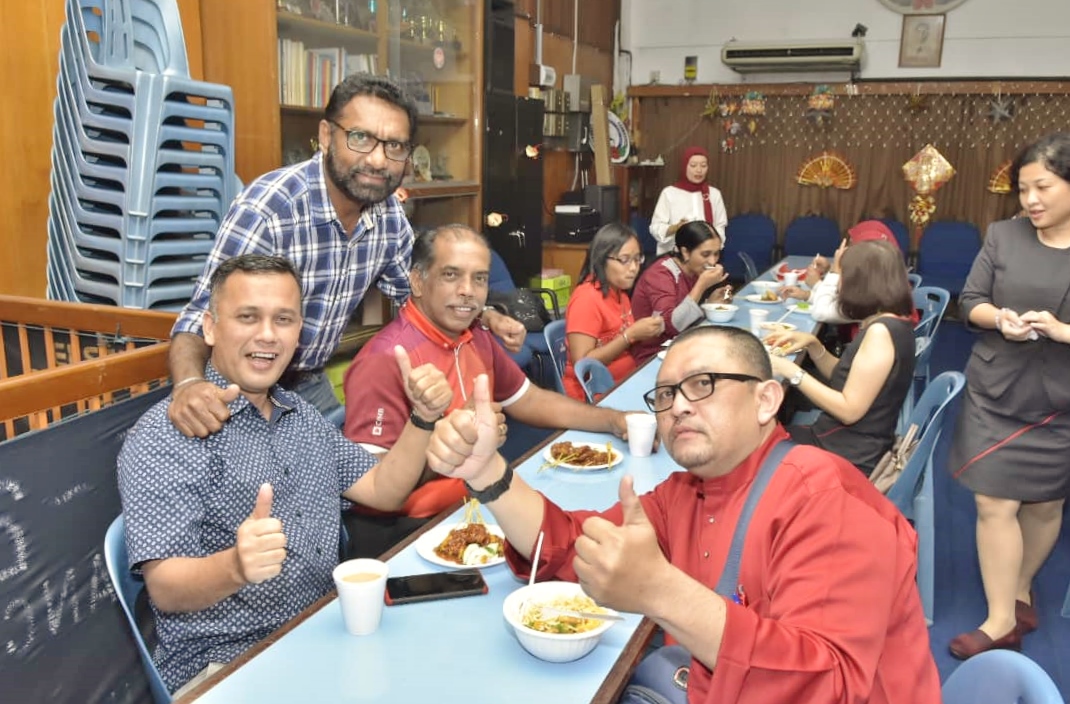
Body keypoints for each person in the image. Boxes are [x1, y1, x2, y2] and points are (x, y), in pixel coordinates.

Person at [424, 325, 941, 704]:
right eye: (667, 393)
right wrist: (488, 472)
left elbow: (829, 686)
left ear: (766, 400)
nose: (678, 407)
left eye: (703, 383)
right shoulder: (687, 492)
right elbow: (575, 545)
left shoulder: (826, 499)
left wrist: (661, 592)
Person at [117, 254, 454, 695]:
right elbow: (164, 588)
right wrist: (236, 566)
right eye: (247, 317)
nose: (267, 335)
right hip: (223, 666)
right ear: (211, 328)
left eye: (283, 319)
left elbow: (383, 490)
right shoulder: (166, 434)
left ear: (299, 333)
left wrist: (422, 418)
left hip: (323, 634)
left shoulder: (302, 415)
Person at [166, 73, 524, 436]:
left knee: (362, 466)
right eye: (361, 138)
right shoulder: (270, 210)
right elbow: (198, 317)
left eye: (395, 146)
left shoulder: (387, 215)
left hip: (306, 379)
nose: (378, 160)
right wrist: (189, 385)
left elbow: (418, 291)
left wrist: (486, 315)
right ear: (326, 136)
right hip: (236, 385)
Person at [342, 225, 635, 555]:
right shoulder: (385, 358)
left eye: (479, 278)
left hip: (479, 499)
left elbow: (530, 399)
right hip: (413, 532)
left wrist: (613, 420)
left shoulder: (474, 335)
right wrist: (458, 440)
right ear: (418, 282)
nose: (468, 291)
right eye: (451, 275)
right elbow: (376, 489)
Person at [946, 132, 1070, 659]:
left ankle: (1019, 587)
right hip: (996, 390)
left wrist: (1062, 331)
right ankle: (1000, 620)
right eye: (1023, 189)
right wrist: (999, 319)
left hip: (1060, 400)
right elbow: (970, 300)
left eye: (1042, 187)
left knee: (1044, 504)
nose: (1031, 200)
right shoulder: (1003, 235)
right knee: (993, 500)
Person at [764, 240, 916, 475]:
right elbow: (847, 377)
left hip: (848, 455)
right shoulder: (893, 322)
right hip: (851, 443)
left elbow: (849, 410)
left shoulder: (880, 333)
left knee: (755, 440)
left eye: (842, 276)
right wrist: (814, 345)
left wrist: (791, 371)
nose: (838, 285)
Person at [562, 223, 665, 401]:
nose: (633, 268)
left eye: (637, 259)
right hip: (594, 394)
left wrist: (647, 331)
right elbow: (584, 365)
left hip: (625, 381)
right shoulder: (586, 299)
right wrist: (630, 336)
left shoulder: (619, 292)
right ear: (602, 259)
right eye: (624, 260)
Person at [630, 220, 732, 364]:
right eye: (706, 254)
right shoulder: (660, 274)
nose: (712, 261)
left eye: (716, 254)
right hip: (653, 355)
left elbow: (686, 316)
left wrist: (709, 304)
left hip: (682, 344)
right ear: (685, 252)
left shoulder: (694, 269)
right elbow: (672, 325)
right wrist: (701, 286)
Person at [782, 220, 902, 324]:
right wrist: (807, 295)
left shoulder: (874, 301)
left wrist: (831, 274)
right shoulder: (884, 285)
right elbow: (839, 304)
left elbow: (822, 312)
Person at [649, 146, 728, 257]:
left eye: (703, 166)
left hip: (705, 257)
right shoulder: (669, 193)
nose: (699, 170)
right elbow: (656, 227)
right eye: (693, 165)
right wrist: (675, 228)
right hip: (673, 255)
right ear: (684, 166)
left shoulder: (714, 194)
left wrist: (710, 247)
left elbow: (720, 227)